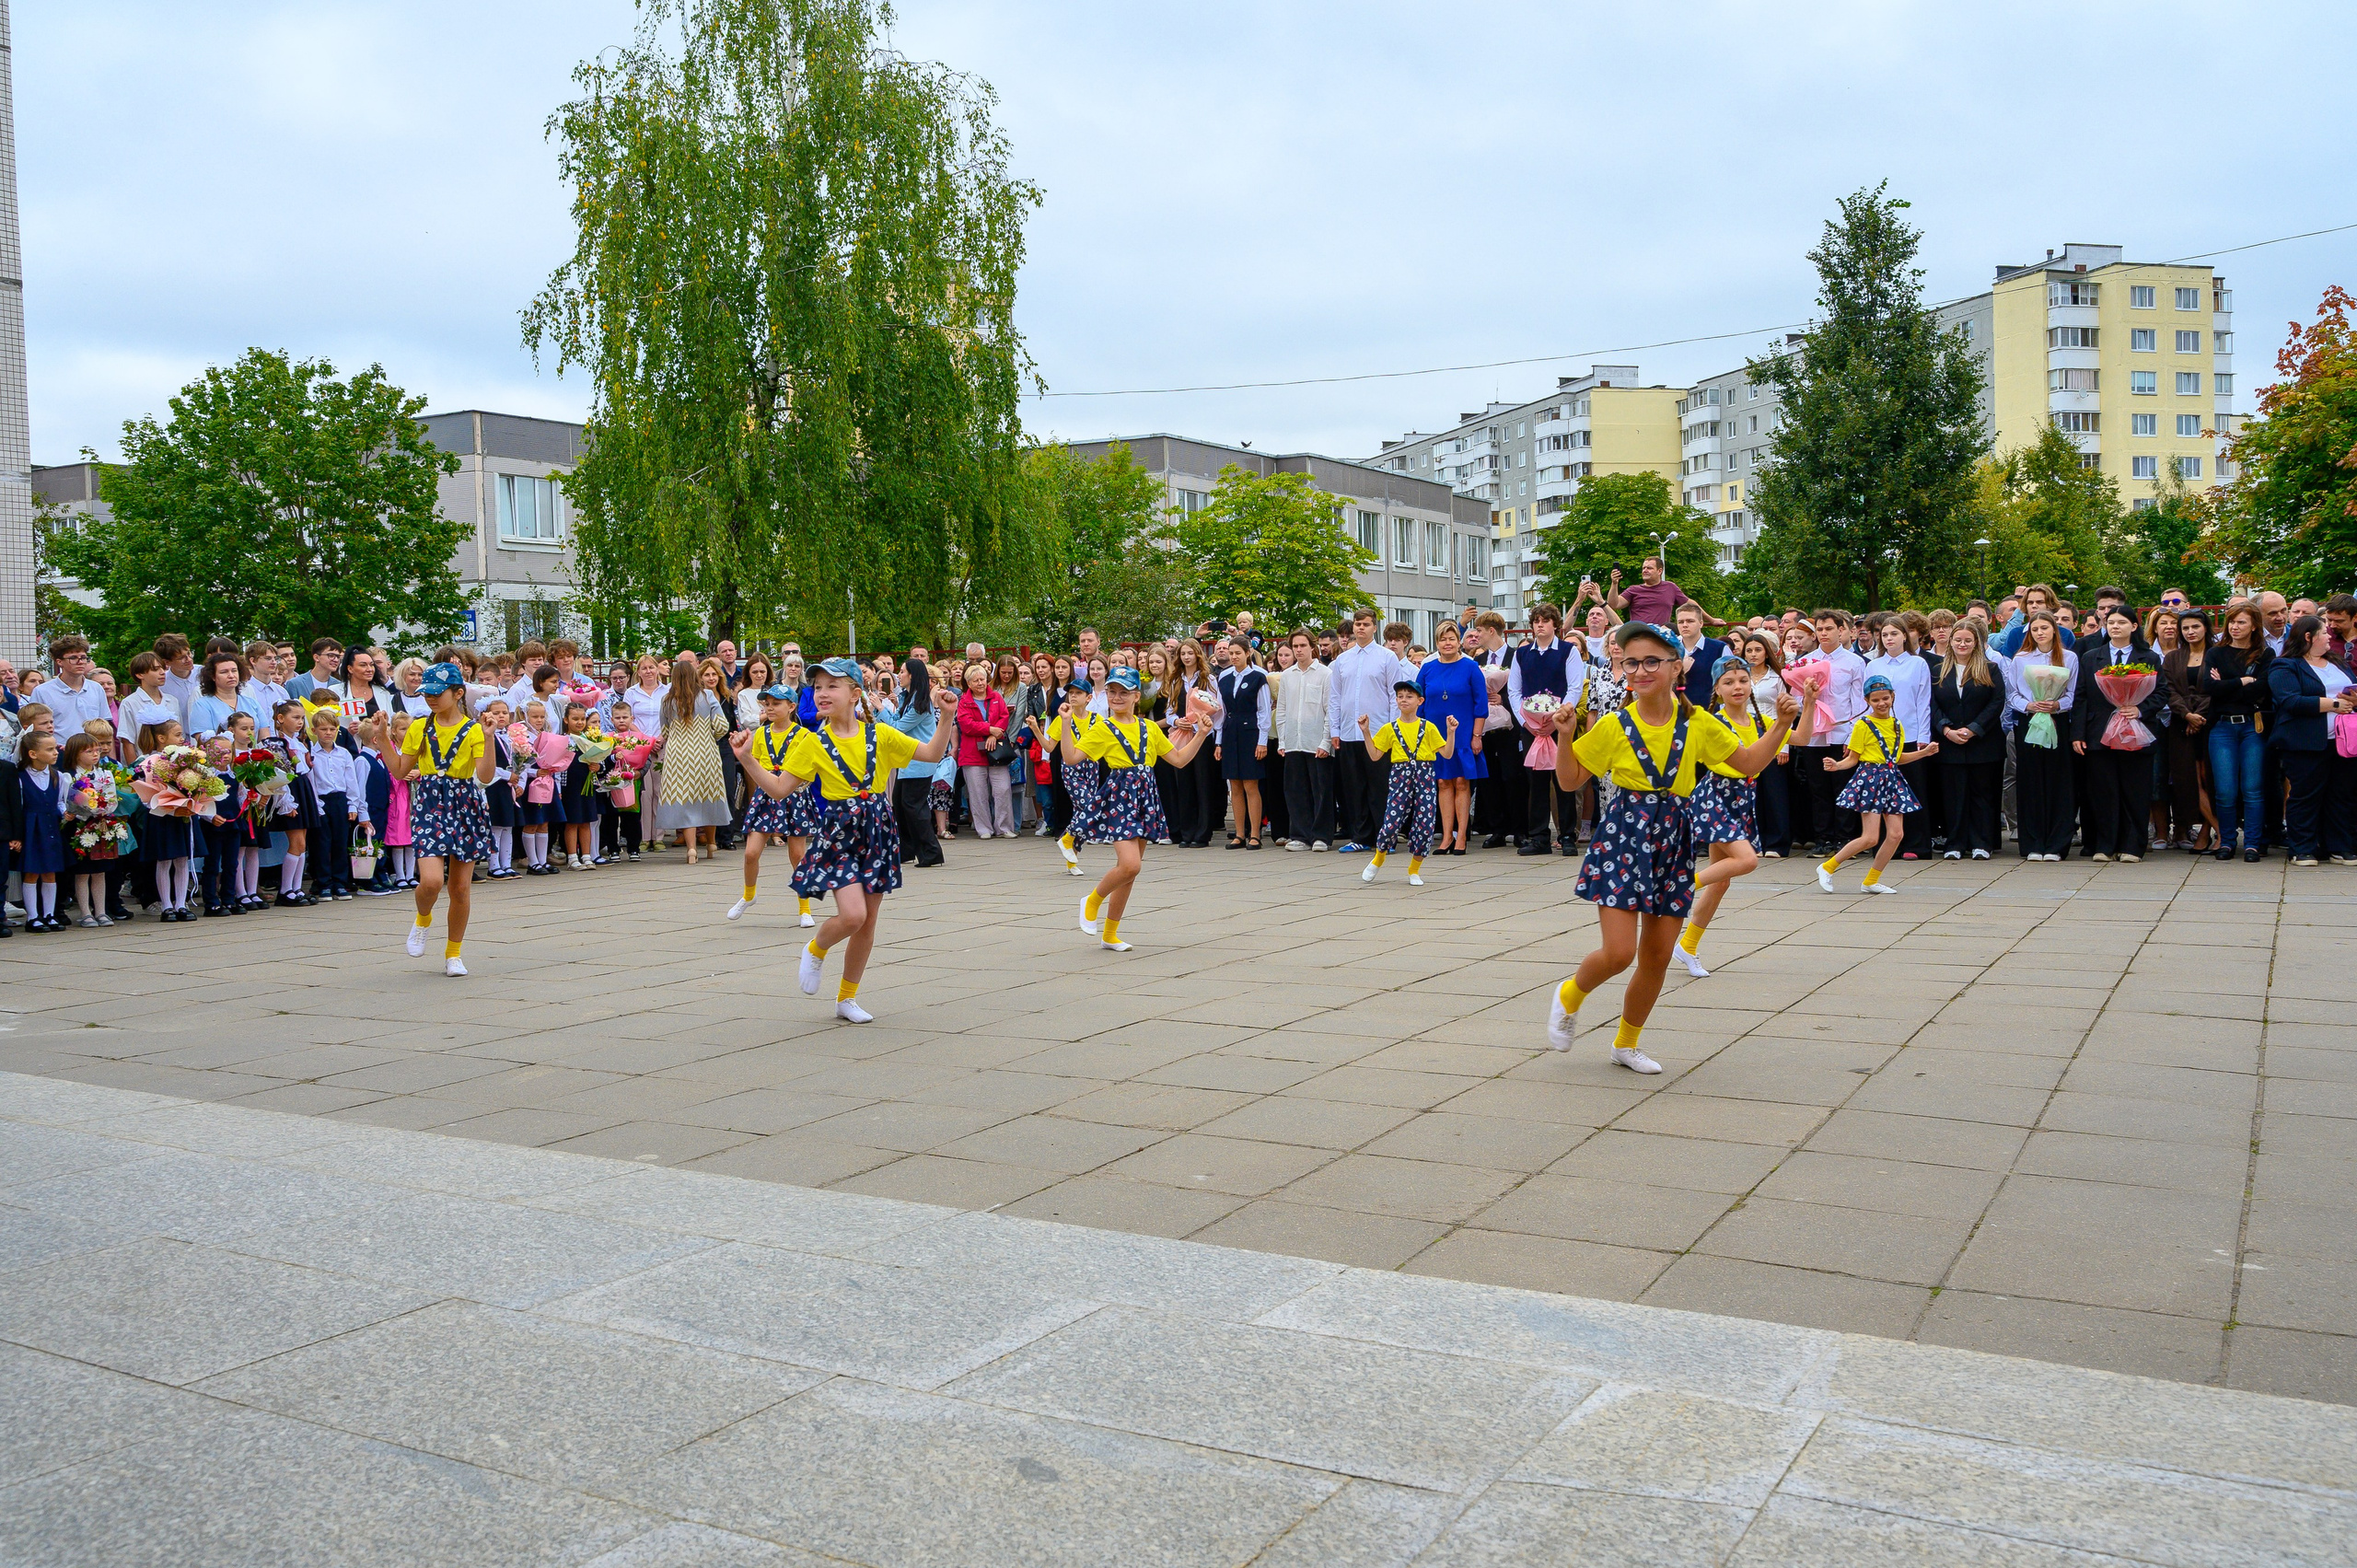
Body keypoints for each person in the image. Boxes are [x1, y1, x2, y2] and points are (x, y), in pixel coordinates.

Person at [1545, 622, 1797, 1073]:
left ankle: (1626, 1043)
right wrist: (1564, 736)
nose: (1640, 670)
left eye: (1651, 661)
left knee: (1658, 957)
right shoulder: (1613, 725)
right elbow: (1568, 781)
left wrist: (1780, 725)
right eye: (1631, 662)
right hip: (1623, 837)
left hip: (1674, 837)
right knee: (1619, 953)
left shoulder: (1698, 722)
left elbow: (1748, 763)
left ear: (1677, 666)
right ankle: (1571, 994)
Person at [735, 656, 955, 1022]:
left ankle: (846, 998)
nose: (822, 693)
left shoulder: (881, 734)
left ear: (855, 694)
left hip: (877, 827)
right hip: (839, 830)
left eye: (831, 686)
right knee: (852, 915)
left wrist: (946, 716)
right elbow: (777, 789)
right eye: (817, 687)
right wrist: (747, 759)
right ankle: (816, 948)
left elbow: (931, 754)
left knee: (868, 920)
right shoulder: (811, 742)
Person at [1070, 668, 1213, 951]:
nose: (1117, 697)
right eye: (1112, 691)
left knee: (1130, 872)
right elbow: (1072, 757)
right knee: (1130, 865)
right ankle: (1093, 899)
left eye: (1124, 692)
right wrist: (1065, 723)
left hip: (1146, 798)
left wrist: (1201, 734)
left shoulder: (1149, 728)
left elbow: (1179, 759)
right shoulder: (1102, 727)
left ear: (1137, 696)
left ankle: (1110, 934)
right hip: (1120, 798)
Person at [381, 665, 497, 976]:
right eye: (426, 693)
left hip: (466, 803)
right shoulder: (419, 727)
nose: (430, 698)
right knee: (431, 880)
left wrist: (488, 738)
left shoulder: (474, 729)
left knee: (460, 888)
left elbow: (485, 776)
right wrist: (381, 738)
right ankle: (422, 919)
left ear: (457, 693)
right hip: (431, 801)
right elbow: (399, 770)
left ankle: (453, 953)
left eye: (436, 693)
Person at [1677, 656, 1771, 976]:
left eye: (1743, 681)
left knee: (1722, 880)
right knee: (1747, 860)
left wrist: (1810, 702)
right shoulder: (1712, 720)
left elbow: (1800, 736)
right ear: (1716, 688)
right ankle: (1682, 885)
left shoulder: (1761, 721)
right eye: (1729, 682)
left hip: (1742, 799)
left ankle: (1687, 945)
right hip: (1716, 794)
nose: (1737, 687)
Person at [1816, 673, 1938, 892]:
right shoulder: (1863, 725)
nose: (1881, 703)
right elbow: (1852, 758)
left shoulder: (1897, 725)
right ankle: (1827, 866)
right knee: (1870, 837)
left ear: (1893, 697)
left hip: (1891, 779)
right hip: (1870, 779)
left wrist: (1924, 753)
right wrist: (1837, 765)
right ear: (1867, 701)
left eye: (1885, 698)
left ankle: (1871, 880)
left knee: (1896, 834)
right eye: (1875, 700)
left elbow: (1898, 758)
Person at [2074, 605, 2165, 862]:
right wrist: (2077, 734)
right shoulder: (2092, 657)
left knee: (2135, 789)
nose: (2115, 626)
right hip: (2099, 733)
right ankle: (2105, 844)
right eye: (2110, 622)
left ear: (2134, 627)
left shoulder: (2149, 657)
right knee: (2103, 790)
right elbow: (2081, 696)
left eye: (2121, 622)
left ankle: (2132, 846)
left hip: (2136, 732)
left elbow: (2161, 692)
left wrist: (2140, 709)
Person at [2267, 615, 2357, 865]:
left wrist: (2354, 699)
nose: (2330, 636)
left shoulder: (2336, 661)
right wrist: (2334, 704)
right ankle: (2302, 848)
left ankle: (2339, 847)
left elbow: (2353, 688)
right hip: (2304, 742)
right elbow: (2290, 701)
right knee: (2306, 795)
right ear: (2309, 637)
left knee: (2341, 795)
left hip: (2341, 742)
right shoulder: (2285, 665)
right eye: (2324, 632)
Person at [730, 683, 819, 926]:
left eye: (776, 703)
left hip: (795, 795)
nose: (770, 708)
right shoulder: (760, 733)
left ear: (791, 707)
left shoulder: (804, 736)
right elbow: (754, 767)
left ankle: (805, 908)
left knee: (797, 854)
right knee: (750, 852)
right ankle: (749, 895)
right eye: (767, 704)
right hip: (766, 796)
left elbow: (810, 768)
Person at [1357, 679, 1456, 886]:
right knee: (1392, 822)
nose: (1404, 700)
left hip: (1425, 773)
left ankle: (1414, 869)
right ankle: (1378, 858)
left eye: (1409, 696)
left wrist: (1451, 732)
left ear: (1420, 701)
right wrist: (1366, 732)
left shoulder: (1428, 727)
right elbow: (1375, 755)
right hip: (1400, 775)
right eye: (1400, 696)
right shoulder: (1389, 728)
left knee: (1425, 823)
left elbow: (1446, 753)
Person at [1509, 603, 1584, 855]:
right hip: (1531, 728)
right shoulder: (1522, 655)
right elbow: (1514, 690)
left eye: (1545, 621)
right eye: (1536, 621)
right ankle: (1539, 837)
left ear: (1555, 624)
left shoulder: (1568, 651)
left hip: (1559, 725)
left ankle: (1567, 836)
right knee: (1536, 782)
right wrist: (1527, 721)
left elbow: (1574, 688)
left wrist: (1559, 717)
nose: (1540, 625)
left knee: (1563, 780)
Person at [1327, 610, 1403, 853]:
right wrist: (1335, 729)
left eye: (1366, 624)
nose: (1361, 628)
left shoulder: (1386, 657)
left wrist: (1393, 730)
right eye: (1358, 624)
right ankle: (1360, 836)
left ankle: (1385, 837)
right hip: (1350, 732)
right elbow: (1335, 697)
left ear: (1374, 628)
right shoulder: (1343, 660)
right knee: (1354, 787)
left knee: (1379, 787)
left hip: (1379, 733)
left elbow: (1395, 696)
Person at [1932, 618, 2005, 861]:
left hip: (1983, 743)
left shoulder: (1990, 668)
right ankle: (1955, 842)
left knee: (1981, 795)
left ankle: (1981, 842)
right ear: (1950, 642)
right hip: (1949, 743)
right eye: (1958, 640)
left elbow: (1996, 703)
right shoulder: (1938, 670)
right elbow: (1932, 705)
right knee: (1953, 796)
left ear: (1976, 643)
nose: (1962, 644)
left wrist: (1974, 729)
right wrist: (1946, 729)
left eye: (1968, 640)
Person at [2008, 612, 2079, 861]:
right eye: (2035, 629)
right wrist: (2029, 706)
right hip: (2029, 721)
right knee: (2031, 781)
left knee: (2058, 782)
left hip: (2058, 721)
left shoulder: (2069, 657)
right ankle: (2032, 843)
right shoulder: (2021, 659)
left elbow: (2073, 693)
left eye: (2044, 628)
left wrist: (2057, 705)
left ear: (2054, 630)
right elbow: (2013, 694)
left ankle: (2056, 844)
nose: (2040, 633)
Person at [2202, 604, 2270, 861]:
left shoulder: (2265, 654)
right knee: (2225, 789)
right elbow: (2209, 687)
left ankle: (2252, 843)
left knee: (2253, 788)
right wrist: (2242, 681)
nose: (2234, 627)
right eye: (2231, 622)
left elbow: (2263, 689)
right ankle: (2227, 841)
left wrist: (2226, 685)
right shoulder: (2216, 653)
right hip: (2222, 726)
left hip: (2253, 725)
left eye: (2241, 622)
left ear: (2254, 625)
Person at [1863, 617, 1934, 859]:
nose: (1889, 638)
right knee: (1883, 792)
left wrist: (1924, 735)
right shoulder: (1873, 665)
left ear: (1905, 635)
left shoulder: (1917, 663)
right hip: (1880, 738)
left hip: (1910, 733)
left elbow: (1923, 701)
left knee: (1912, 791)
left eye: (1894, 634)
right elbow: (1867, 703)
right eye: (1884, 635)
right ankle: (1886, 845)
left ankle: (1916, 844)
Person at [1415, 620, 1488, 855]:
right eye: (1442, 639)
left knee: (1461, 782)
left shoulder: (1470, 667)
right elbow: (1420, 703)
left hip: (1464, 733)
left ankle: (1461, 836)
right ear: (1437, 643)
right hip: (1435, 734)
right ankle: (1446, 836)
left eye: (1451, 638)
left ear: (1459, 642)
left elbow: (1481, 704)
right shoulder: (1427, 668)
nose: (1447, 643)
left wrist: (1477, 735)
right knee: (1443, 782)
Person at [656, 656, 732, 863]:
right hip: (705, 752)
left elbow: (665, 730)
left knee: (686, 801)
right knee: (709, 796)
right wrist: (710, 737)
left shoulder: (667, 700)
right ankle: (711, 843)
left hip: (678, 755)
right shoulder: (707, 696)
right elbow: (722, 726)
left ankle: (691, 850)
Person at [1272, 629, 1333, 851]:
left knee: (1321, 791)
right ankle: (1300, 834)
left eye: (1302, 646)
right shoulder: (1287, 675)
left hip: (1316, 742)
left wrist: (1325, 742)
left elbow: (1329, 710)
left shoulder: (1325, 674)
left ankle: (1321, 836)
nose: (1298, 650)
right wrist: (1282, 741)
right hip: (1294, 743)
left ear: (1312, 647)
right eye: (1295, 646)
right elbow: (1283, 710)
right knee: (1296, 790)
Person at [2161, 611, 2214, 854]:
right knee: (2187, 780)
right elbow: (2168, 690)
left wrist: (2199, 715)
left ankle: (2210, 831)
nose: (2190, 631)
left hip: (2211, 723)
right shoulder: (2173, 658)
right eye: (2186, 628)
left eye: (2195, 626)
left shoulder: (2217, 654)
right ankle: (2197, 828)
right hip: (2181, 725)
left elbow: (2217, 688)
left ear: (2206, 628)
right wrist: (2187, 715)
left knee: (2210, 779)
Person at [1214, 634, 1271, 849]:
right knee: (1234, 785)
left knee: (1251, 784)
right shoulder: (1225, 676)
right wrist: (1219, 742)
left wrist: (1262, 741)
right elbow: (1221, 711)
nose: (1234, 657)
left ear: (1248, 653)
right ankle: (1239, 833)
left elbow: (1264, 710)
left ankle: (1255, 833)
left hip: (1251, 733)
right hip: (1230, 732)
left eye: (1238, 653)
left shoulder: (1259, 676)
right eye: (1231, 653)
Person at [955, 659, 1016, 839]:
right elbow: (966, 725)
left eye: (983, 679)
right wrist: (989, 729)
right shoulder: (964, 702)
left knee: (1003, 789)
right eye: (976, 681)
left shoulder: (996, 697)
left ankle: (1004, 827)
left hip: (995, 750)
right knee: (977, 793)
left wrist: (994, 735)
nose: (980, 683)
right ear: (968, 683)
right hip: (972, 753)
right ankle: (984, 829)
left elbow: (1004, 717)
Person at [13, 727, 65, 930]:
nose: (56, 752)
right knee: (32, 872)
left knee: (50, 872)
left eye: (55, 748)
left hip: (50, 825)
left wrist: (66, 811)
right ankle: (32, 916)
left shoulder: (58, 776)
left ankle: (50, 914)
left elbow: (60, 801)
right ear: (33, 754)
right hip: (32, 828)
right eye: (50, 749)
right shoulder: (20, 777)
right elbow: (19, 806)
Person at [1609, 556, 1723, 629]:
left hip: (1661, 638)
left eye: (1649, 568)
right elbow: (1614, 604)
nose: (1645, 570)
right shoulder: (1634, 590)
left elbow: (1691, 605)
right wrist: (1614, 584)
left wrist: (1711, 620)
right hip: (1638, 636)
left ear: (1659, 571)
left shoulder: (1670, 587)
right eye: (1643, 568)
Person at [29, 635, 110, 734]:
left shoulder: (96, 688)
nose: (80, 662)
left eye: (83, 658)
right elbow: (35, 729)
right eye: (73, 658)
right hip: (58, 747)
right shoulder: (42, 691)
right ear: (59, 662)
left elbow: (105, 727)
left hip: (92, 747)